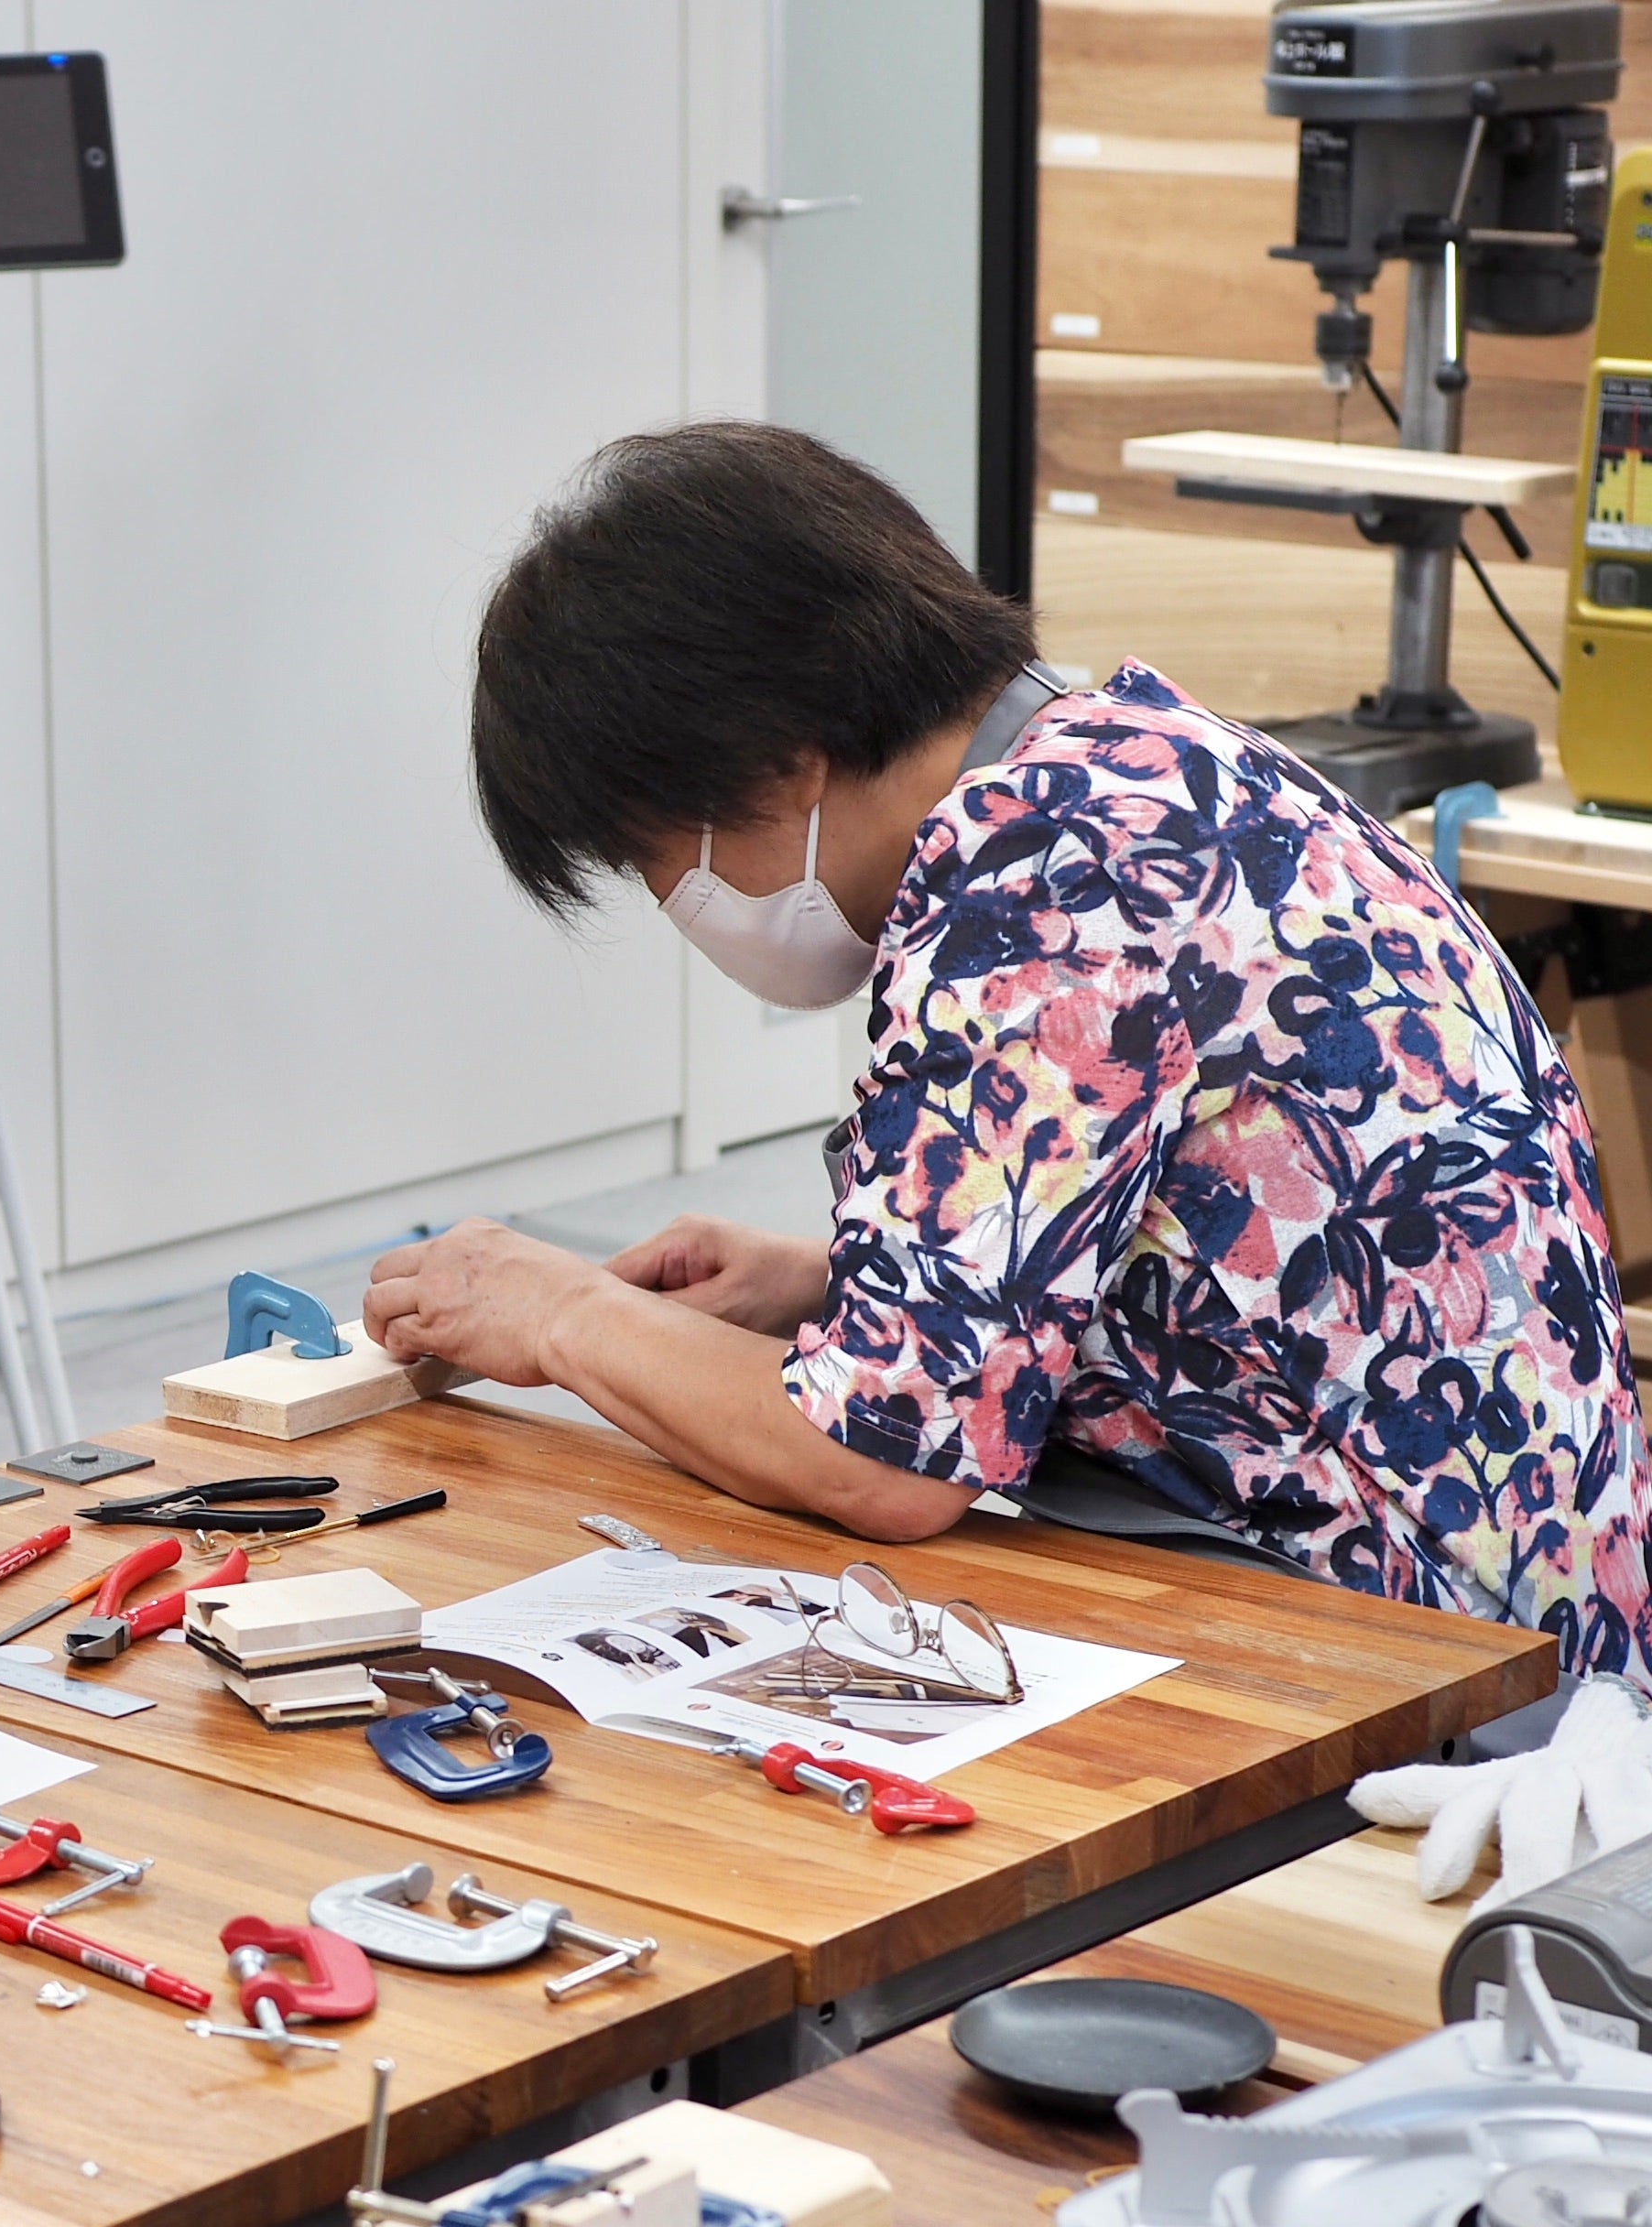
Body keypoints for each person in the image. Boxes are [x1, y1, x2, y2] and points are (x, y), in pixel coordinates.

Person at [364, 418, 1652, 1674]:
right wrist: (835, 1278)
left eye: (659, 860)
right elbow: (1227, 1235)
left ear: (781, 763)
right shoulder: (1145, 765)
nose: (675, 903)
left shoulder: (1031, 890)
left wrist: (563, 1313)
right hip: (1531, 1591)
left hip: (1430, 1666)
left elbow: (882, 1458)